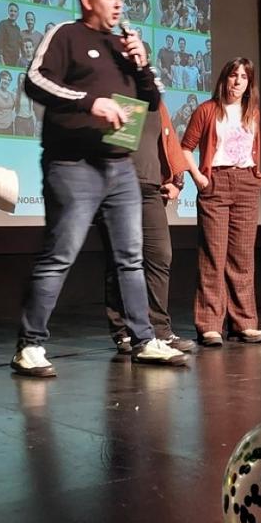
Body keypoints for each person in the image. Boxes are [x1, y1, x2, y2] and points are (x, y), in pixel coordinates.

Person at [12, 0, 189, 376]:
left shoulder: (122, 46)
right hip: (73, 164)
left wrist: (142, 64)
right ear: (87, 0)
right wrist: (89, 102)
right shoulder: (66, 34)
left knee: (131, 258)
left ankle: (144, 340)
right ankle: (30, 345)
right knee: (60, 255)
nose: (118, 2)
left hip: (120, 166)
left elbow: (152, 100)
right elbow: (35, 80)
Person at [181, 58, 261, 346]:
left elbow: (255, 148)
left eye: (243, 77)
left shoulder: (252, 113)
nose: (237, 81)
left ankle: (244, 323)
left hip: (246, 184)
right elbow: (185, 147)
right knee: (213, 257)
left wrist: (256, 176)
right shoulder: (207, 110)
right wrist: (198, 178)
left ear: (249, 83)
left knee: (242, 257)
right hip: (215, 182)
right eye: (233, 75)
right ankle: (209, 325)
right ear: (224, 79)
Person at [102, 102, 196, 354]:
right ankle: (122, 331)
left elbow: (168, 138)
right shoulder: (115, 92)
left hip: (150, 187)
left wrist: (177, 180)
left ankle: (160, 330)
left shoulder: (155, 101)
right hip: (118, 186)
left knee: (160, 256)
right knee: (121, 259)